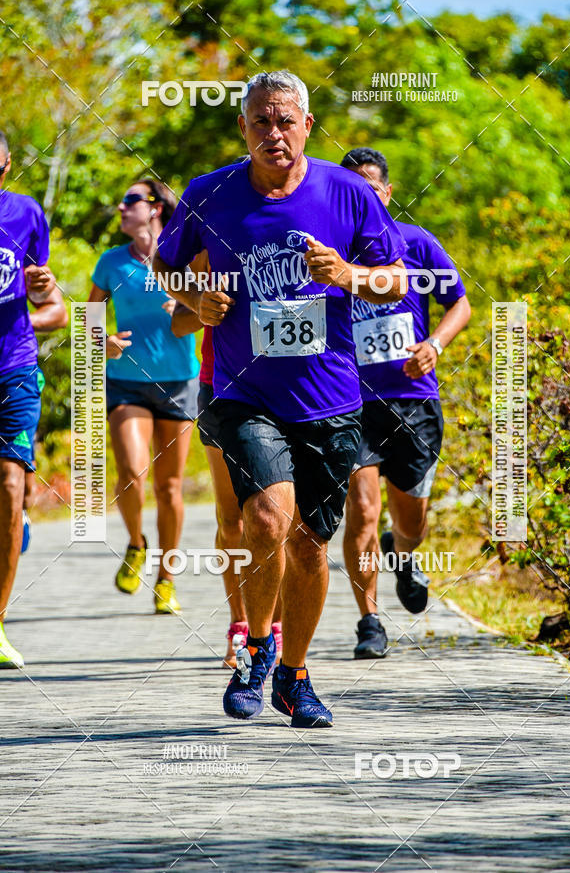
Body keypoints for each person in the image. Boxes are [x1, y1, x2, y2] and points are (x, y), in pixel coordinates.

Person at [154, 71, 407, 727]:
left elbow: (396, 278)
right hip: (244, 394)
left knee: (308, 545)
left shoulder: (348, 192)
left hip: (329, 400)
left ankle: (293, 672)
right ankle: (256, 649)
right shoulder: (210, 193)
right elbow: (165, 261)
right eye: (261, 121)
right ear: (243, 127)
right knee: (266, 520)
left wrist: (348, 275)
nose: (274, 132)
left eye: (285, 120)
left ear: (308, 125)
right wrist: (190, 297)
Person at [340, 147, 471, 659]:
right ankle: (369, 621)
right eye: (351, 191)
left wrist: (434, 345)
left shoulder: (415, 243)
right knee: (363, 512)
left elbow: (459, 301)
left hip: (414, 399)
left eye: (370, 189)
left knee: (409, 521)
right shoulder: (329, 253)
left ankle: (403, 552)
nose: (362, 199)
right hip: (352, 402)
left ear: (387, 193)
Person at [88, 179, 199, 614]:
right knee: (132, 473)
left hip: (178, 382)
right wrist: (105, 340)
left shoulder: (181, 255)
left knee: (170, 487)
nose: (122, 206)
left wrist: (186, 308)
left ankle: (167, 578)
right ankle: (136, 543)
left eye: (131, 200)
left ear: (155, 209)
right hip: (127, 381)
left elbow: (209, 309)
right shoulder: (112, 262)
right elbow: (91, 316)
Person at [171, 242, 283, 668]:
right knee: (232, 520)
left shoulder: (300, 240)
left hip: (286, 389)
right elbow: (180, 325)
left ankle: (272, 625)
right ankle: (240, 626)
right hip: (220, 388)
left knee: (281, 520)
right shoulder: (206, 255)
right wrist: (202, 306)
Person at [0, 130, 65, 667]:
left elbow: (49, 299)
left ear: (7, 164)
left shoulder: (26, 213)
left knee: (9, 483)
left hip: (14, 366)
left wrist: (41, 285)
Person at [21, 288, 69, 553]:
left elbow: (57, 312)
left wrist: (18, 322)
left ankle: (20, 511)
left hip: (16, 377)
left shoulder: (19, 254)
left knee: (19, 479)